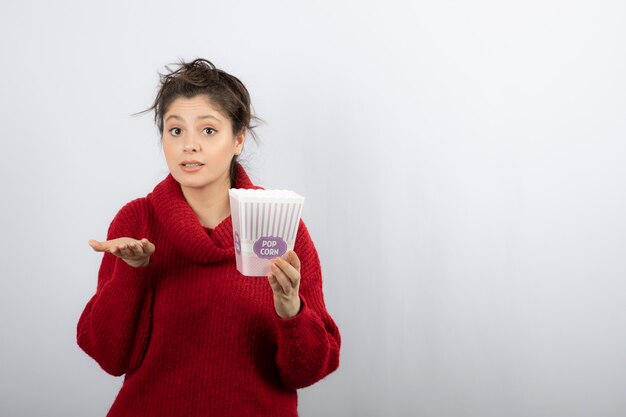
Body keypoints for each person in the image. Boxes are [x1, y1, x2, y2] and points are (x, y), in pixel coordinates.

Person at [76, 58, 341, 417]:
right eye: (175, 131)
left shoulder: (279, 223)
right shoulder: (136, 221)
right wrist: (131, 272)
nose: (189, 145)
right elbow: (109, 356)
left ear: (238, 139)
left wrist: (291, 309)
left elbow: (309, 370)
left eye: (208, 131)